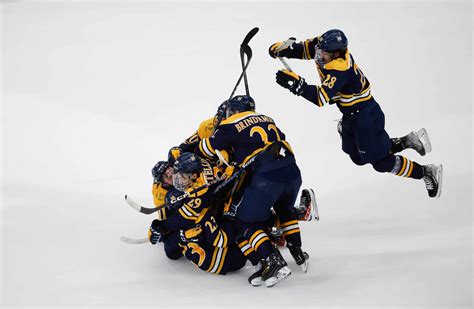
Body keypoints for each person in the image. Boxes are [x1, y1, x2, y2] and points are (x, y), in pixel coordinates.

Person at [269, 29, 443, 198]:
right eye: (320, 51)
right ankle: (407, 141)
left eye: (324, 54)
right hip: (351, 116)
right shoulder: (325, 46)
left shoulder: (340, 68)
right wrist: (285, 49)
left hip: (365, 117)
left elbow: (321, 98)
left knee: (381, 163)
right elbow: (308, 48)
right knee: (357, 157)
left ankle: (426, 171)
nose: (319, 56)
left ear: (336, 54)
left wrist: (298, 85)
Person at [196, 95, 308, 287]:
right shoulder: (267, 118)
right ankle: (297, 249)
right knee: (285, 210)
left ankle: (272, 261)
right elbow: (279, 138)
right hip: (292, 172)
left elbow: (206, 148)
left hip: (266, 176)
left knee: (245, 221)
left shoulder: (230, 123)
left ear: (234, 111)